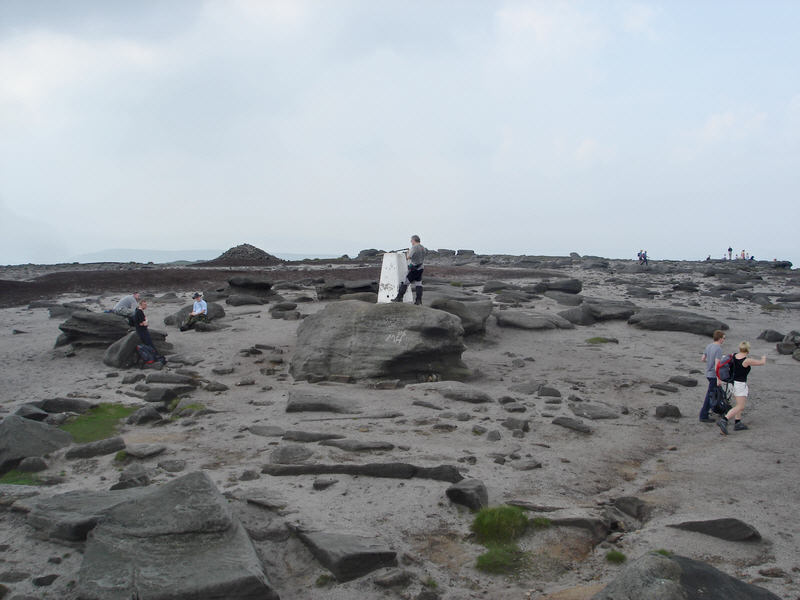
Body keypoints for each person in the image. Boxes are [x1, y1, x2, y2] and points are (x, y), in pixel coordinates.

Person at [717, 341, 766, 435]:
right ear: (748, 349)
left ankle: (737, 422)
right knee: (740, 406)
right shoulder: (746, 360)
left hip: (732, 383)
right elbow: (761, 363)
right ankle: (724, 420)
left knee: (738, 404)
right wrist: (763, 357)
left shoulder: (734, 355)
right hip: (739, 384)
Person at [391, 235, 426, 305]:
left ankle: (399, 298)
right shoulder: (423, 248)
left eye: (411, 240)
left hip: (414, 269)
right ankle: (418, 301)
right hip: (421, 268)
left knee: (405, 282)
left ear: (414, 240)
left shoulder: (414, 247)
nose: (411, 241)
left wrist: (408, 252)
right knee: (418, 284)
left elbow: (408, 257)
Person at [699, 330, 725, 422]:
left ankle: (715, 410)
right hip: (714, 375)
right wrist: (719, 378)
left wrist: (710, 363)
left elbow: (702, 359)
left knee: (714, 393)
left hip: (708, 374)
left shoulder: (709, 346)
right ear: (720, 338)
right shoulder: (718, 349)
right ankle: (703, 415)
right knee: (710, 395)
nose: (724, 340)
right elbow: (717, 365)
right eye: (723, 338)